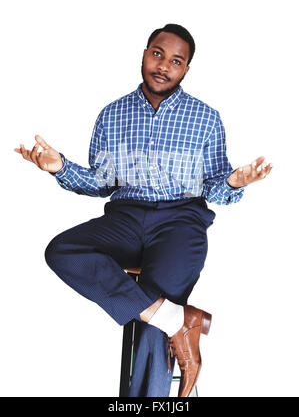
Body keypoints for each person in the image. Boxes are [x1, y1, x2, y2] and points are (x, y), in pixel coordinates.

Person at [14, 24, 273, 397]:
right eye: (158, 54)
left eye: (176, 61)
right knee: (61, 250)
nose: (164, 65)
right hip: (125, 219)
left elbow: (215, 188)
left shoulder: (206, 118)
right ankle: (178, 320)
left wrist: (234, 183)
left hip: (181, 222)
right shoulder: (112, 114)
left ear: (186, 69)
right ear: (144, 53)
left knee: (154, 315)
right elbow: (102, 183)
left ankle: (161, 344)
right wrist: (60, 168)